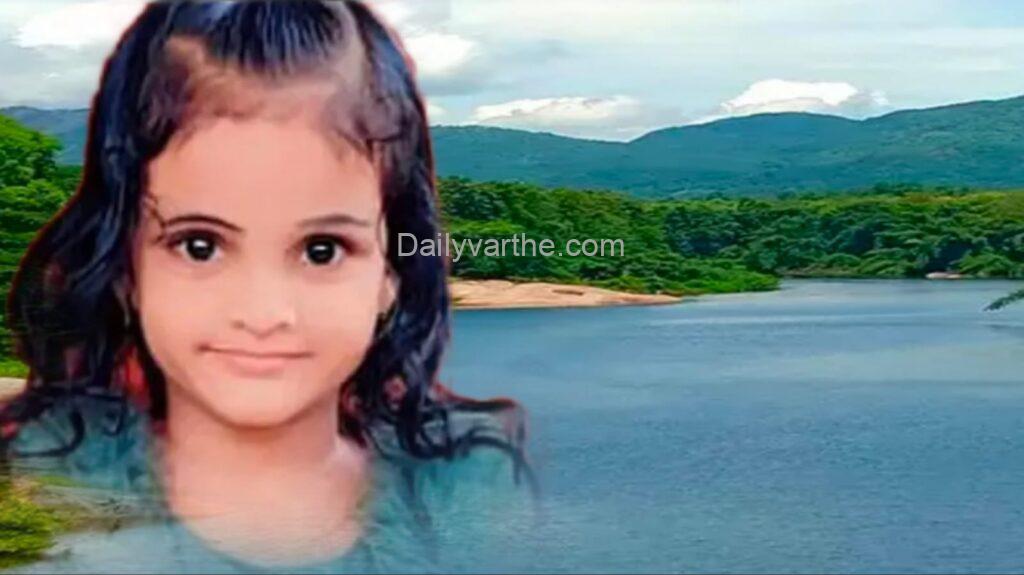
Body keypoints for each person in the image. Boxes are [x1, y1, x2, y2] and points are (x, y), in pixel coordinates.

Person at [0, 1, 536, 572]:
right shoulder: (36, 475)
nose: (264, 312)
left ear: (392, 275)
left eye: (322, 249)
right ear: (126, 269)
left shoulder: (470, 485)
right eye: (199, 245)